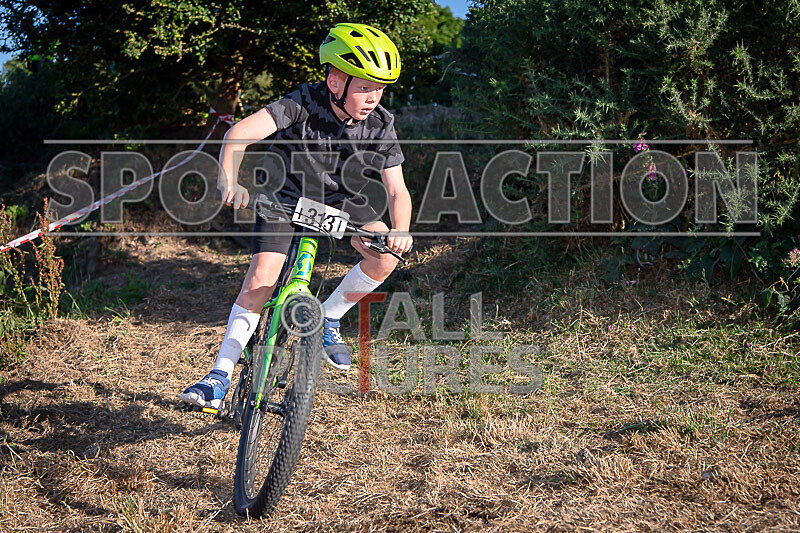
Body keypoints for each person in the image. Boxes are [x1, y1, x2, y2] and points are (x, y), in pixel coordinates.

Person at [181, 23, 413, 410]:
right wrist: (229, 180)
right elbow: (238, 134)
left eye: (380, 89)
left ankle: (329, 318)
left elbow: (396, 190)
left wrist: (401, 229)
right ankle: (219, 375)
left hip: (341, 202)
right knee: (263, 277)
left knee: (385, 253)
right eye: (364, 87)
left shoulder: (380, 124)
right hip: (284, 197)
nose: (373, 97)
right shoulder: (302, 102)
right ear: (335, 82)